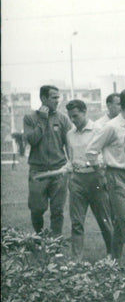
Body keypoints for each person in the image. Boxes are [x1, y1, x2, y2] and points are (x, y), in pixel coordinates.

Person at [86, 89, 125, 265]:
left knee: (120, 223)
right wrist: (102, 171)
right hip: (115, 177)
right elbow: (91, 151)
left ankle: (113, 261)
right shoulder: (111, 127)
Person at [64, 99, 115, 260]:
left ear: (84, 112)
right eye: (70, 117)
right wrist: (71, 167)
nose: (73, 120)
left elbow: (105, 158)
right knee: (77, 222)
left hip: (96, 179)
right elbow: (70, 157)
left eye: (76, 116)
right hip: (77, 182)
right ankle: (76, 259)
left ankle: (112, 255)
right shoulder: (69, 134)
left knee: (104, 220)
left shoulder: (99, 130)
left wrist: (87, 163)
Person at [23, 85, 70, 236]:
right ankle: (40, 237)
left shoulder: (63, 118)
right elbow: (33, 141)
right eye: (54, 97)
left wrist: (71, 164)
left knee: (57, 210)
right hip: (38, 171)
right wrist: (42, 121)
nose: (58, 100)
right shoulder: (30, 118)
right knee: (37, 209)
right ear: (43, 98)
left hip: (59, 171)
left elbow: (70, 144)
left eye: (58, 97)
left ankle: (55, 243)